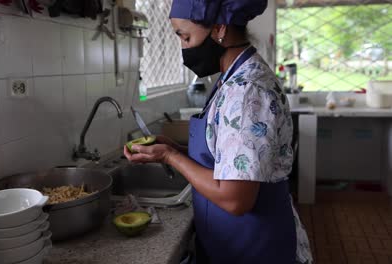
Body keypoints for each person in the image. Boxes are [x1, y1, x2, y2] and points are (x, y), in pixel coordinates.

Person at [124, 0, 313, 263]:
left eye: (185, 36)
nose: (183, 47)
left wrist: (170, 156)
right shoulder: (231, 77)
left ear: (219, 28)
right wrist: (174, 149)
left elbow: (235, 199)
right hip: (231, 241)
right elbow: (228, 155)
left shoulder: (247, 90)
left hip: (254, 246)